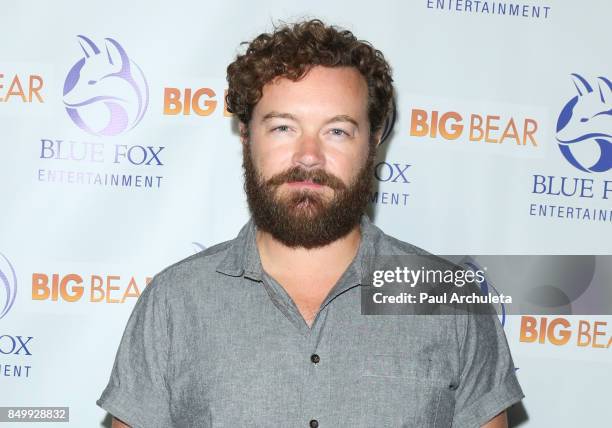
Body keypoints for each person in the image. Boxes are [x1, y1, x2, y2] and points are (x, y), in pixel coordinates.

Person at [97, 19, 524, 427]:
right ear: (246, 135)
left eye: (337, 131)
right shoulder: (175, 302)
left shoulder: (446, 298)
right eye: (284, 127)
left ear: (373, 141)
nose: (308, 156)